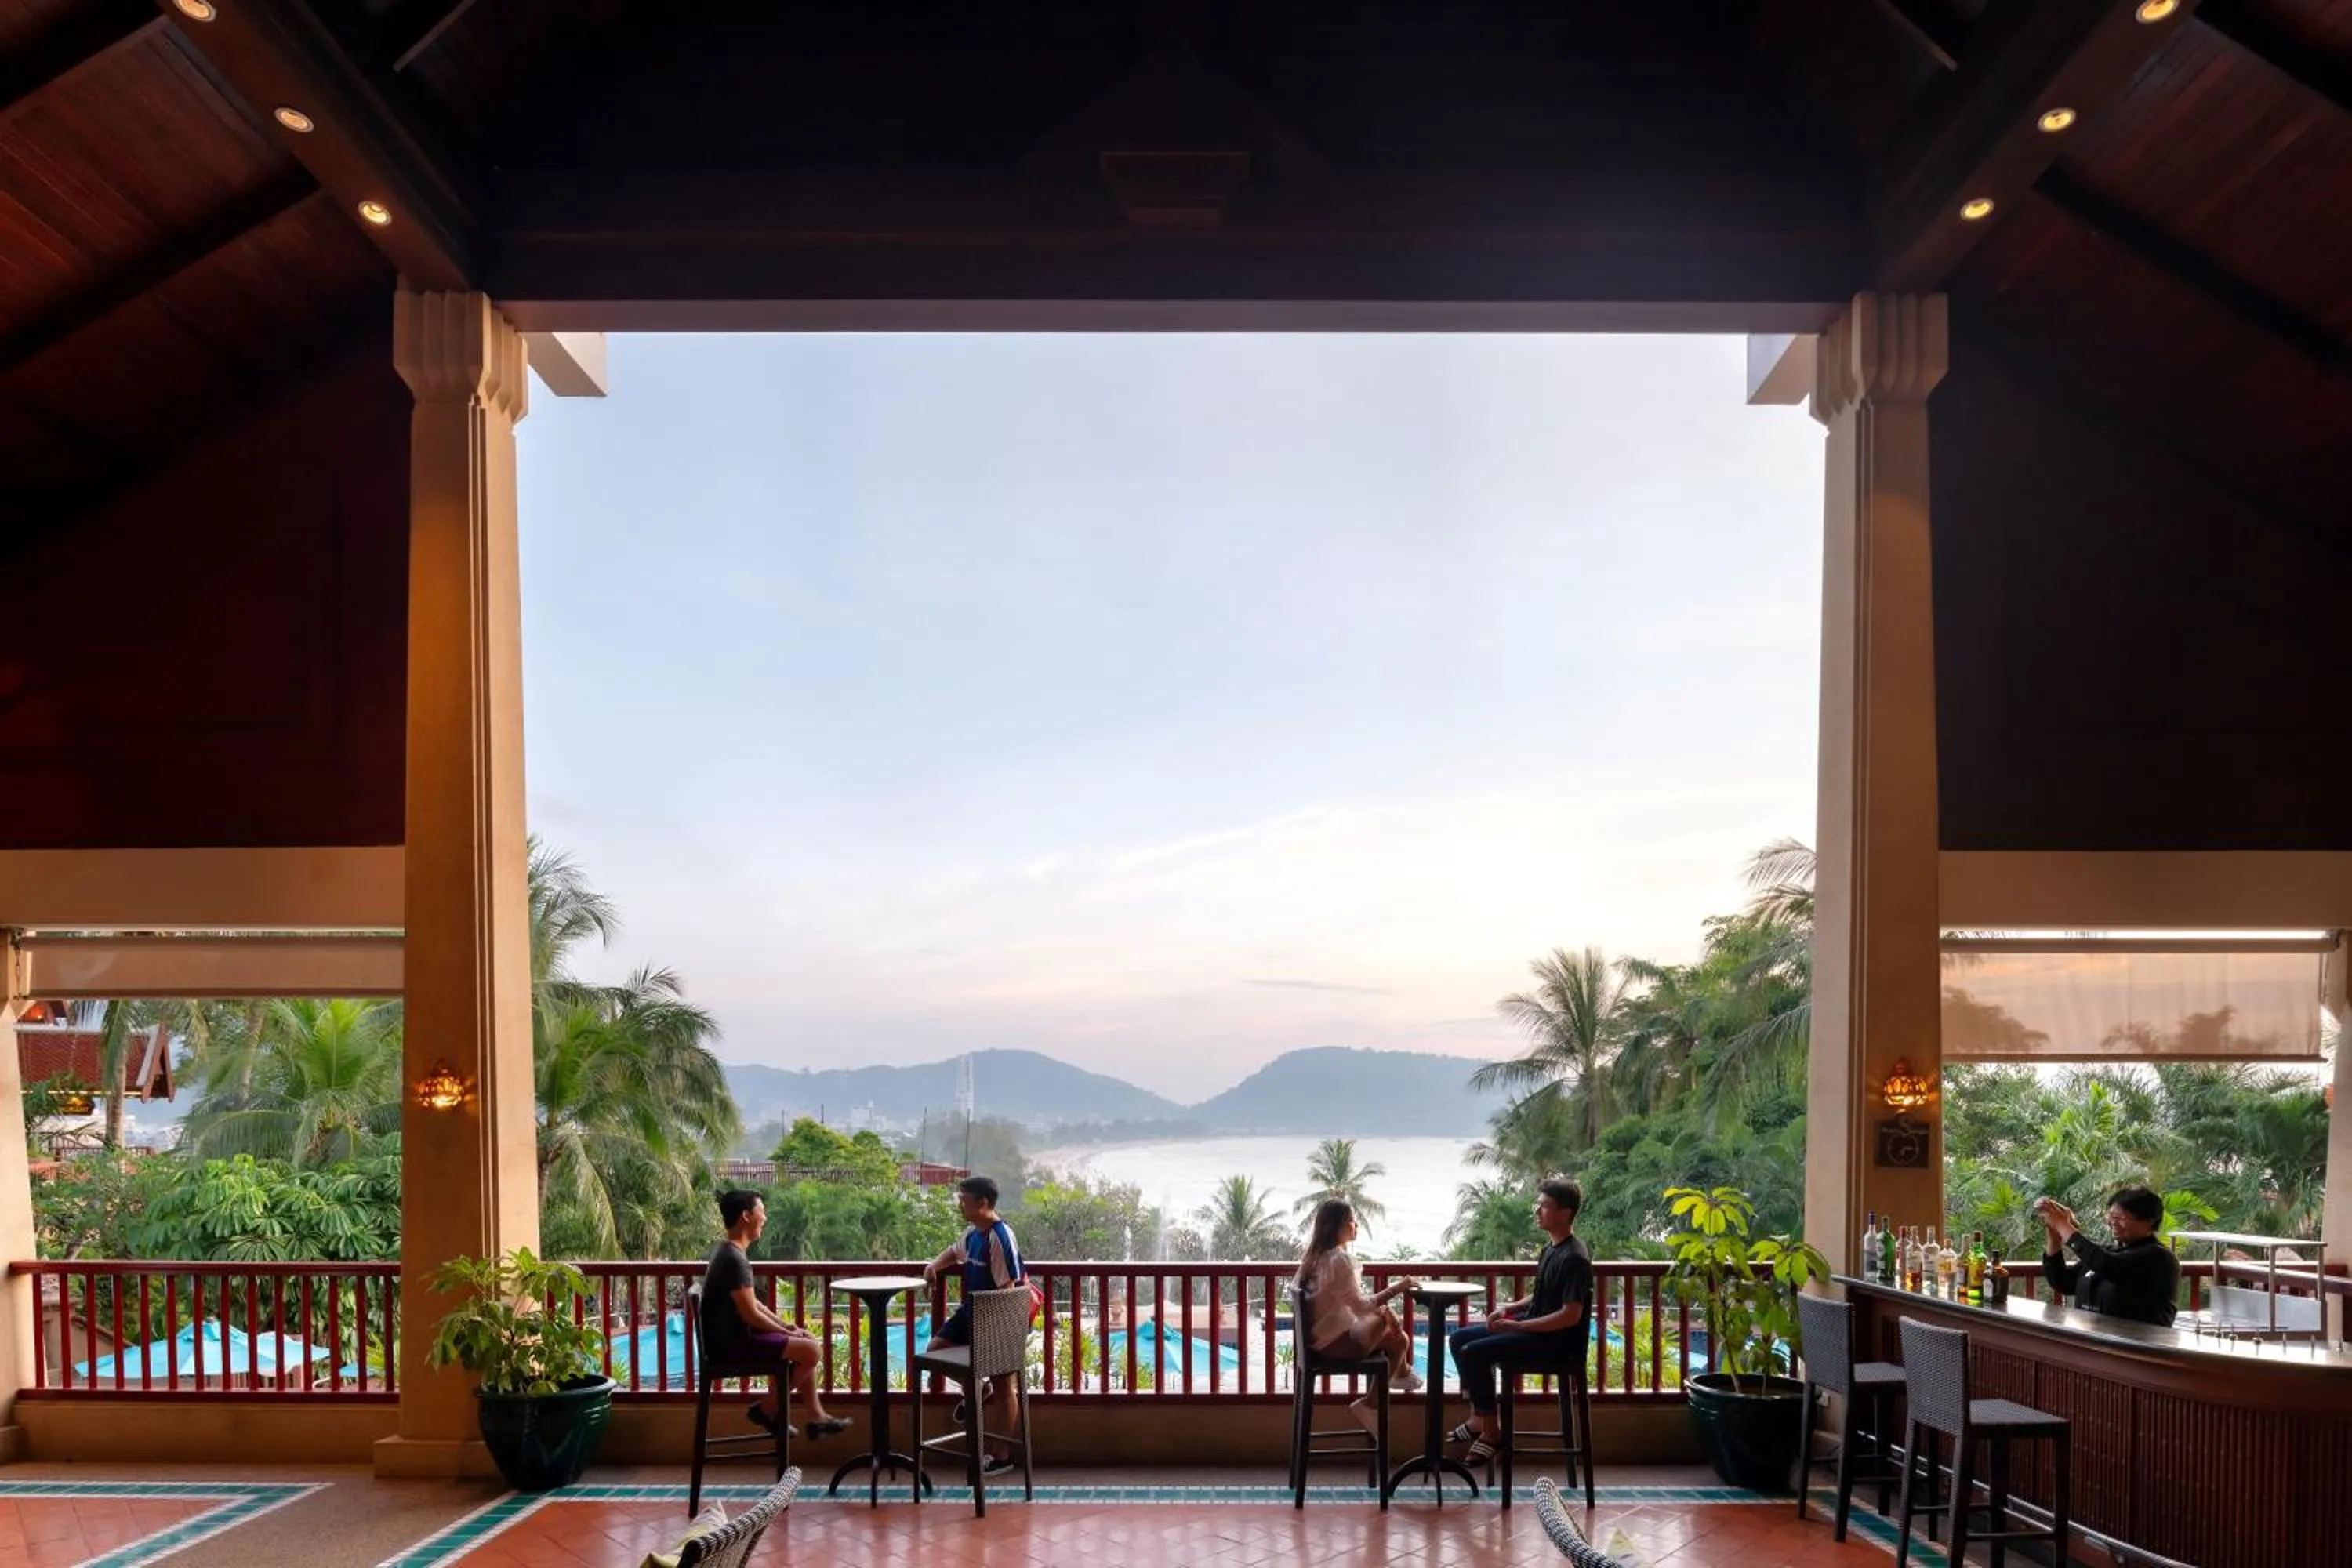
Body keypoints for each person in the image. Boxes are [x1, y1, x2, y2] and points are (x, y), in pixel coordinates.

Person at [1445, 1176, 1593, 1465]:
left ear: (1564, 1212)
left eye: (1544, 1206)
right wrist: (1509, 1308)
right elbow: (1540, 1295)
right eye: (1537, 1205)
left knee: (1474, 1353)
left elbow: (1569, 1315)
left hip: (1556, 1343)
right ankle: (1479, 1416)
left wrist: (1517, 1326)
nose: (1537, 1211)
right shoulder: (1552, 1249)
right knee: (1460, 1338)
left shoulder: (1575, 1257)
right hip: (1537, 1330)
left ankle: (1491, 1433)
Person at [698, 1190, 851, 1439]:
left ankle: (817, 1417)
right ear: (746, 1216)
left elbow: (755, 1305)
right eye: (762, 1211)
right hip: (732, 1346)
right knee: (811, 1351)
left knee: (807, 1343)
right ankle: (766, 1410)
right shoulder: (733, 1259)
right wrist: (783, 1331)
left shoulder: (730, 1252)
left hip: (734, 1340)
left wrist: (786, 1326)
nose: (765, 1218)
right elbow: (750, 1315)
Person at [921, 1174, 1026, 1472]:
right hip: (971, 1311)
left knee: (1004, 1385)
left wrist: (993, 1335)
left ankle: (1001, 1455)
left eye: (963, 1199)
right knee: (936, 1349)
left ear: (982, 1203)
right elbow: (955, 1252)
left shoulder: (999, 1236)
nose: (959, 1204)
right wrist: (933, 1266)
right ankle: (977, 1392)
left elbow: (1008, 1287)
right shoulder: (974, 1234)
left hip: (998, 1317)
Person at [1295, 1200, 1424, 1432]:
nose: (1356, 1226)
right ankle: (1394, 1381)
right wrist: (1397, 1288)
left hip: (1320, 1343)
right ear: (1338, 1227)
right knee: (1386, 1317)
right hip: (1334, 1346)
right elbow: (1362, 1308)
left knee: (1400, 1341)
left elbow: (1355, 1308)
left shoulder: (1314, 1258)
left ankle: (1392, 1382)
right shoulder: (1338, 1260)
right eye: (1352, 1221)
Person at [2037, 1187, 2180, 1327]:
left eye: (2120, 1217)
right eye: (2111, 1216)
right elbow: (2063, 1282)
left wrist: (2064, 1226)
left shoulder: (2159, 1257)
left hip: (2136, 1346)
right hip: (2093, 1343)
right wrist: (2054, 1234)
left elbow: (2108, 1266)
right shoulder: (2108, 1253)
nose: (2112, 1222)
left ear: (2149, 1220)